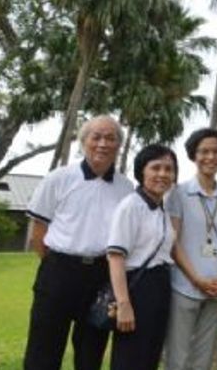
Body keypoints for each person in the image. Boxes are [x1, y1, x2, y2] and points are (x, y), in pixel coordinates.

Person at [23, 115, 133, 370]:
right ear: (84, 142)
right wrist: (54, 263)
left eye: (110, 138)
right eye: (96, 137)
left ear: (119, 145)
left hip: (101, 276)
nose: (103, 144)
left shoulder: (126, 188)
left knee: (90, 354)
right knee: (43, 350)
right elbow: (38, 232)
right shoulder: (59, 178)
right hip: (59, 272)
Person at [164, 128, 217, 370]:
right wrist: (196, 279)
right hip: (185, 286)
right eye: (204, 151)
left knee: (204, 355)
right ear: (193, 155)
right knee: (178, 353)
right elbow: (172, 241)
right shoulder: (178, 193)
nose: (211, 157)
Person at [106, 144, 178, 370]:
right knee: (130, 358)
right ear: (141, 171)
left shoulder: (160, 209)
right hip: (137, 289)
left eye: (169, 169)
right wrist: (124, 304)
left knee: (149, 355)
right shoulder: (131, 206)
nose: (163, 174)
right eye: (155, 168)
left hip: (161, 285)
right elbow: (116, 257)